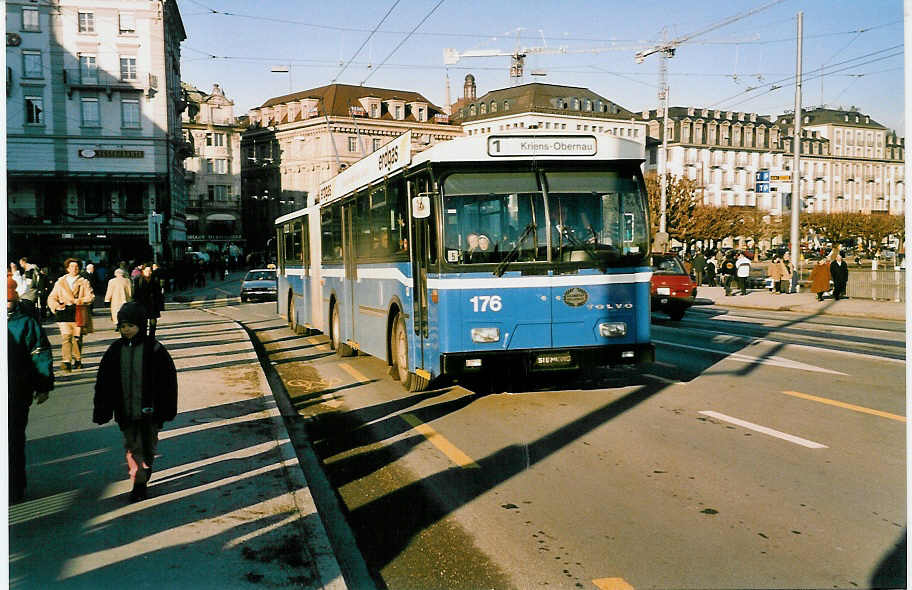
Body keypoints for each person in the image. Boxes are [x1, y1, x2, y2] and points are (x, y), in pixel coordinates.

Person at [93, 302, 178, 502]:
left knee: (148, 444)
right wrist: (102, 409)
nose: (127, 330)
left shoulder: (154, 350)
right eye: (123, 326)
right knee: (132, 445)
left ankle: (145, 466)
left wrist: (167, 408)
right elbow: (104, 382)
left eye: (131, 326)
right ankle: (138, 482)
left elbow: (168, 382)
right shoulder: (114, 351)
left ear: (141, 325)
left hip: (150, 410)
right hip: (125, 411)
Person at [7, 276, 54, 503]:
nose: (6, 304)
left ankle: (14, 488)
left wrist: (43, 385)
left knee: (13, 440)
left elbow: (40, 352)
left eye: (9, 300)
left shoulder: (26, 322)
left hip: (17, 391)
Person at [47, 258, 95, 371]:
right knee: (66, 337)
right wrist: (56, 306)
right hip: (64, 314)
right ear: (67, 268)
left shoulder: (84, 281)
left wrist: (80, 300)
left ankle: (77, 359)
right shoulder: (60, 282)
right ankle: (66, 361)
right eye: (72, 266)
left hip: (79, 312)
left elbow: (91, 297)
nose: (74, 268)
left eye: (77, 266)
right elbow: (52, 297)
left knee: (77, 338)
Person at [133, 263, 164, 339]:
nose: (149, 272)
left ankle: (151, 337)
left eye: (150, 271)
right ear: (143, 271)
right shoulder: (138, 279)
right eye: (147, 271)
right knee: (143, 322)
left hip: (153, 304)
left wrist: (160, 304)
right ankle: (143, 336)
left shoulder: (155, 279)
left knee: (153, 322)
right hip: (142, 304)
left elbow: (159, 293)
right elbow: (136, 293)